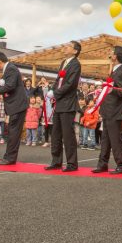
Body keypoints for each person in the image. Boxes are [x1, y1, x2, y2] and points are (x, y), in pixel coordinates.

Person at [0, 52, 28, 165]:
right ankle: (9, 157)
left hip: (17, 104)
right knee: (12, 131)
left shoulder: (11, 69)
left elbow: (10, 86)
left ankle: (10, 158)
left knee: (13, 132)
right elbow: (3, 84)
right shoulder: (9, 69)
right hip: (16, 105)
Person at [93, 46, 122, 174]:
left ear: (117, 56)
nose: (110, 54)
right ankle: (102, 163)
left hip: (115, 110)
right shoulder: (115, 70)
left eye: (112, 53)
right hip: (108, 109)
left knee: (115, 140)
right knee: (105, 139)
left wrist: (111, 88)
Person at [46, 41, 81, 172]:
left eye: (68, 47)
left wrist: (55, 93)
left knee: (68, 135)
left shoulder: (76, 64)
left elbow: (70, 84)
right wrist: (52, 90)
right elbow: (58, 80)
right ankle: (56, 161)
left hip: (68, 103)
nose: (65, 48)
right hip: (59, 103)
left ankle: (72, 163)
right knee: (55, 134)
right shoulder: (63, 62)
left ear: (75, 51)